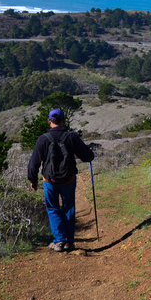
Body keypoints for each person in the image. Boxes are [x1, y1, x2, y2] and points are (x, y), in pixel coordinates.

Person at [27, 108, 94, 252]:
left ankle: (59, 241)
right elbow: (86, 157)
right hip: (68, 179)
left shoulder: (43, 139)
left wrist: (33, 179)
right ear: (64, 121)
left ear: (49, 121)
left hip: (49, 180)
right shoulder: (71, 137)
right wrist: (89, 152)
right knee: (68, 208)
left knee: (52, 209)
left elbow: (34, 162)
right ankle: (69, 241)